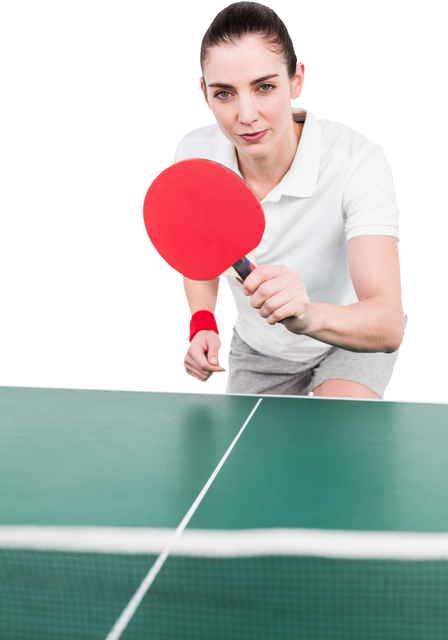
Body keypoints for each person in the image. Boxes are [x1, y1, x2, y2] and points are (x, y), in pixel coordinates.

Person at [176, 0, 409, 398]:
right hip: (259, 348)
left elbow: (387, 322)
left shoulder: (357, 161)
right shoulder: (193, 156)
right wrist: (202, 321)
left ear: (297, 80)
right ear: (203, 93)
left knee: (332, 437)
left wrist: (306, 315)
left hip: (350, 337)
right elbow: (201, 255)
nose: (246, 114)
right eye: (225, 93)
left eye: (264, 87)